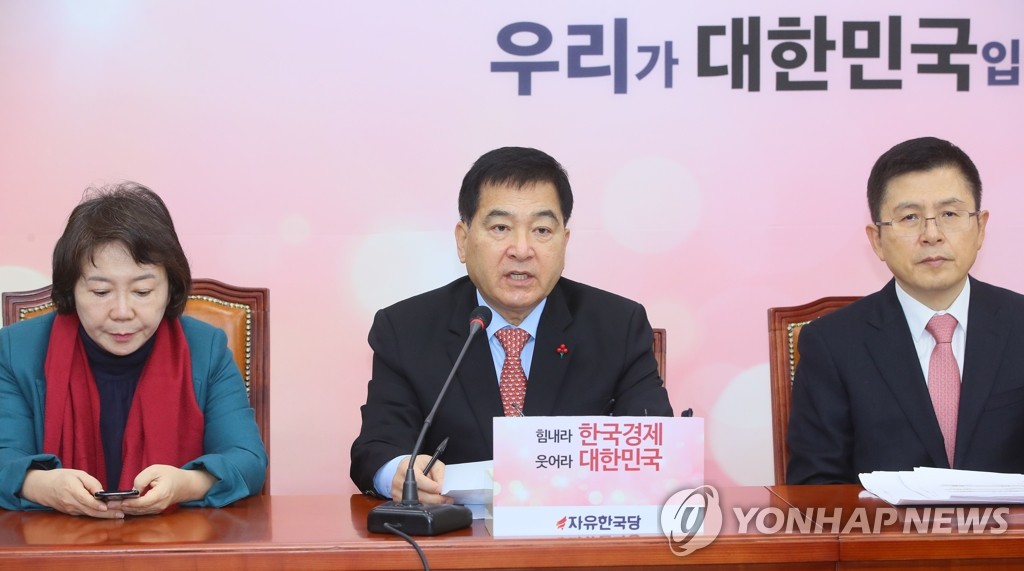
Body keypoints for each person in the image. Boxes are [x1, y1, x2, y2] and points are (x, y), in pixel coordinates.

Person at [350, 147, 673, 501]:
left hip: (577, 526)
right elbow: (377, 448)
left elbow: (654, 445)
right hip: (458, 532)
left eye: (541, 230)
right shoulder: (406, 330)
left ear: (564, 242)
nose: (521, 249)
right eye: (501, 228)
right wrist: (398, 473)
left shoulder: (618, 327)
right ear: (463, 240)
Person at [0, 183, 267, 517]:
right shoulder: (16, 350)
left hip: (175, 543)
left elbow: (247, 460)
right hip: (56, 543)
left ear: (170, 288)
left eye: (142, 291)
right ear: (71, 289)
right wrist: (41, 485)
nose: (122, 312)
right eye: (101, 292)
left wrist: (186, 483)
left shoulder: (206, 349)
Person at [786, 136, 1024, 484]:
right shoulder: (832, 345)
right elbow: (816, 487)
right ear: (877, 240)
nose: (932, 234)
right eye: (910, 217)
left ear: (980, 228)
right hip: (881, 522)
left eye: (949, 214)